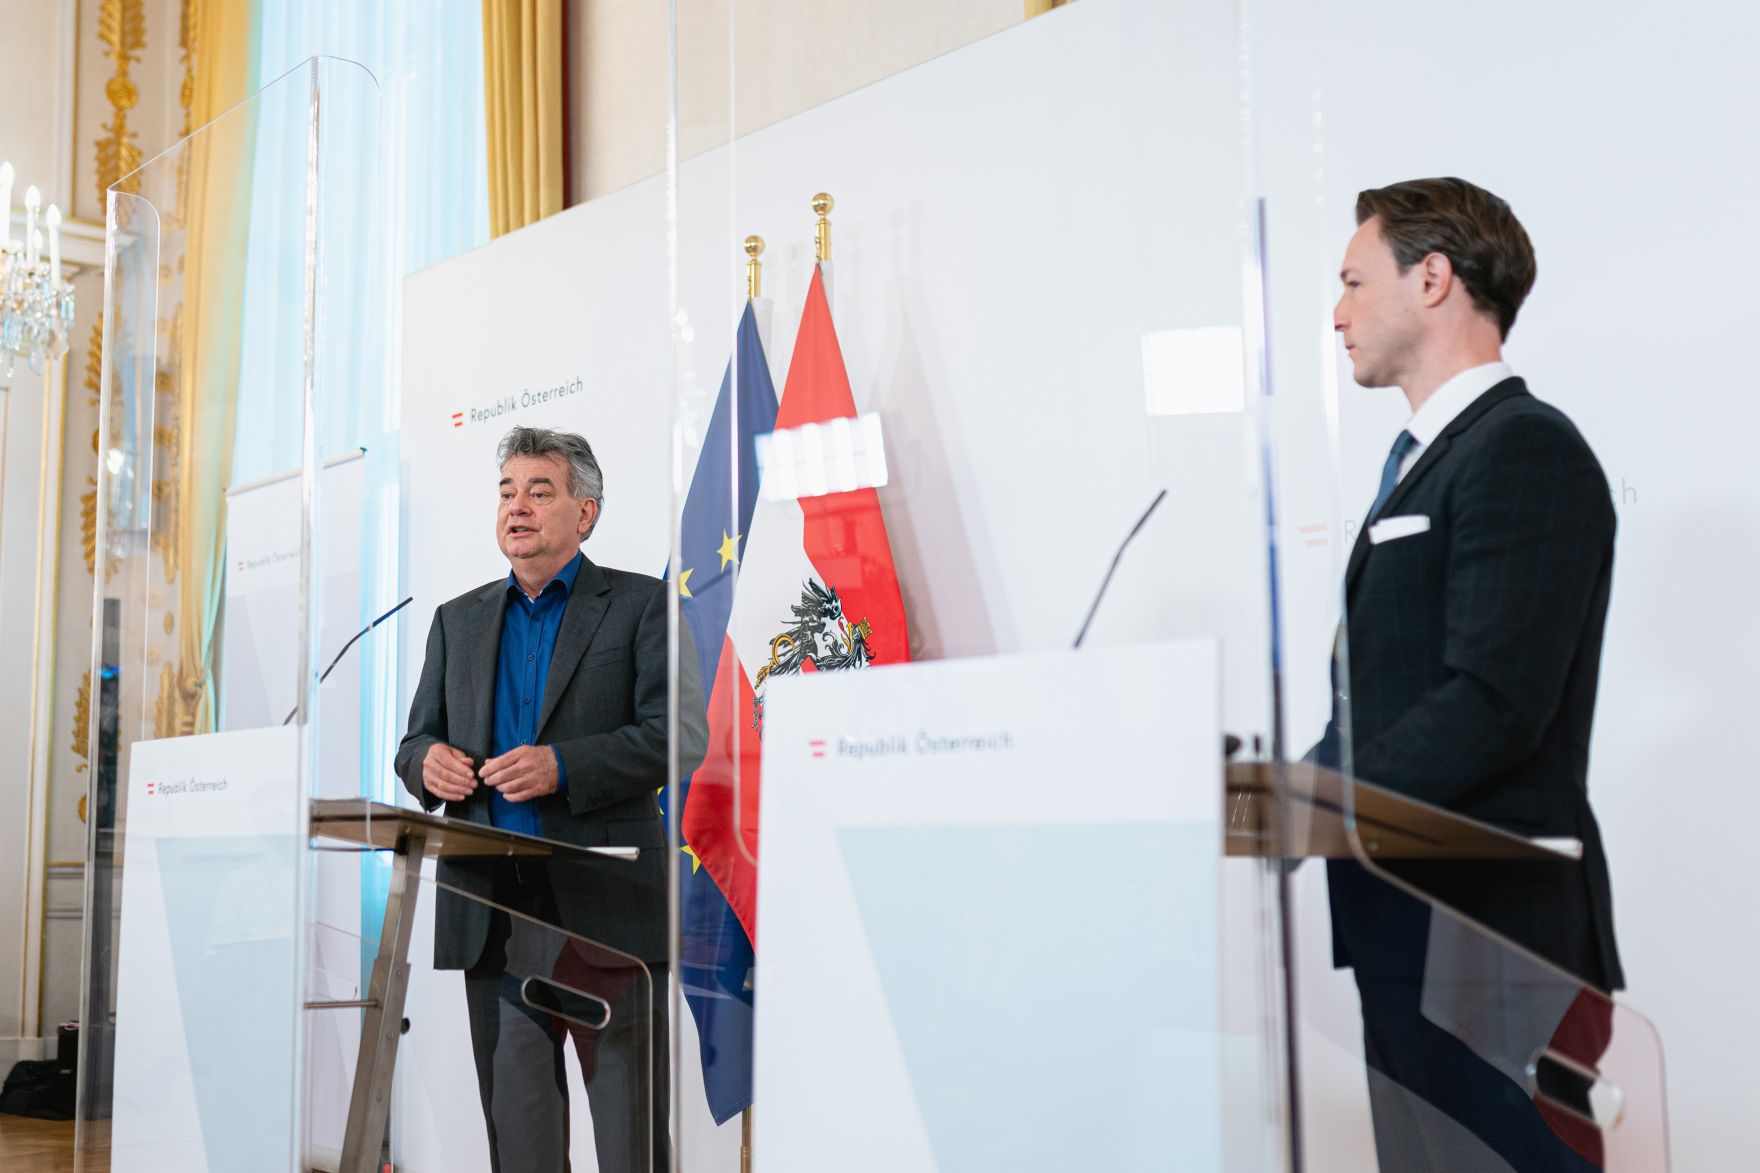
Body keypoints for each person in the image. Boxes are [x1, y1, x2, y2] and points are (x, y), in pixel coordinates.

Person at [1321, 178, 1623, 1171]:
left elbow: (1488, 704)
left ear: (1433, 278)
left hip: (1497, 951)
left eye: (1355, 282)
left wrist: (1317, 802)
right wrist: (1257, 804)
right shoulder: (1422, 463)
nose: (1337, 312)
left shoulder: (1521, 449)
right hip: (1402, 940)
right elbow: (1377, 707)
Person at [396, 425, 707, 1173]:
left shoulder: (641, 606)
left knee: (630, 1143)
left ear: (586, 511)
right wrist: (427, 764)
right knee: (522, 1149)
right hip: (494, 917)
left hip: (607, 914)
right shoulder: (457, 619)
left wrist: (562, 766)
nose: (518, 507)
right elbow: (414, 744)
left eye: (540, 490)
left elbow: (681, 737)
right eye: (507, 491)